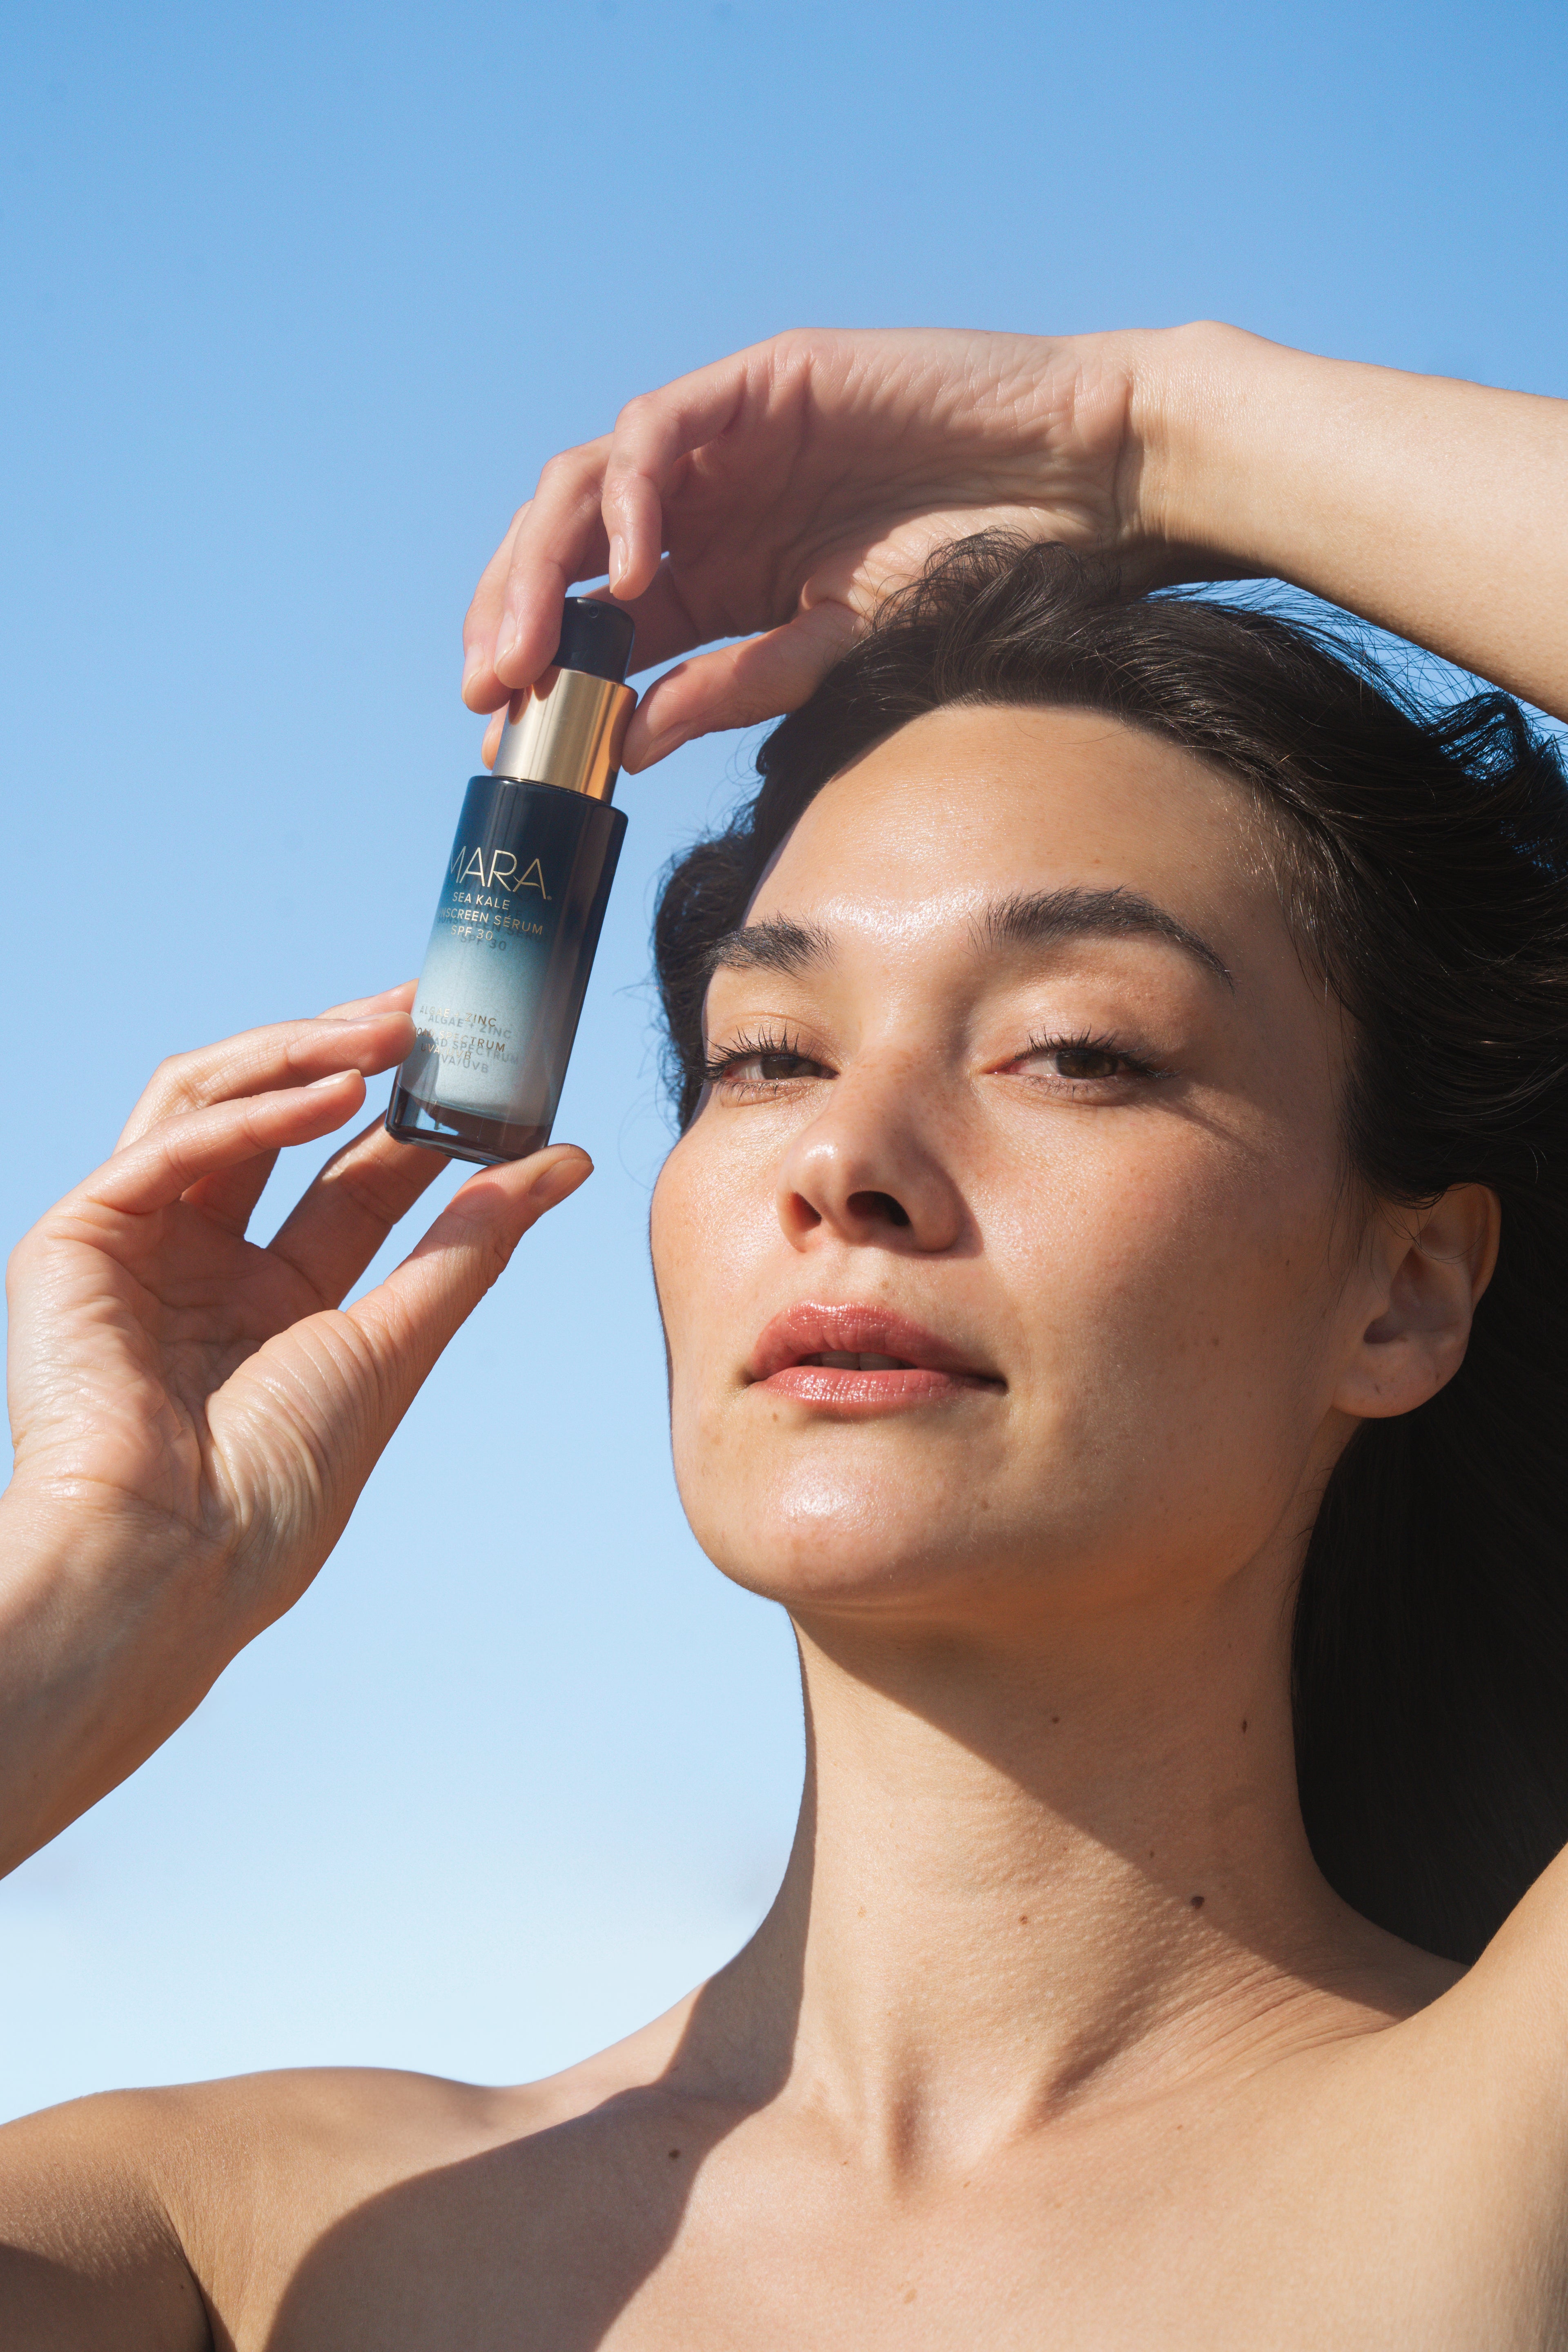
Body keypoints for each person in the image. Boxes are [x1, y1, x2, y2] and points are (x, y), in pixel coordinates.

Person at [2, 319, 1567, 2348]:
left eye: (1077, 1049)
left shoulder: (1512, 2162)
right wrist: (78, 1604)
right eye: (767, 1055)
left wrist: (1138, 432)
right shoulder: (241, 2252)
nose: (847, 1161)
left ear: (1408, 1290)